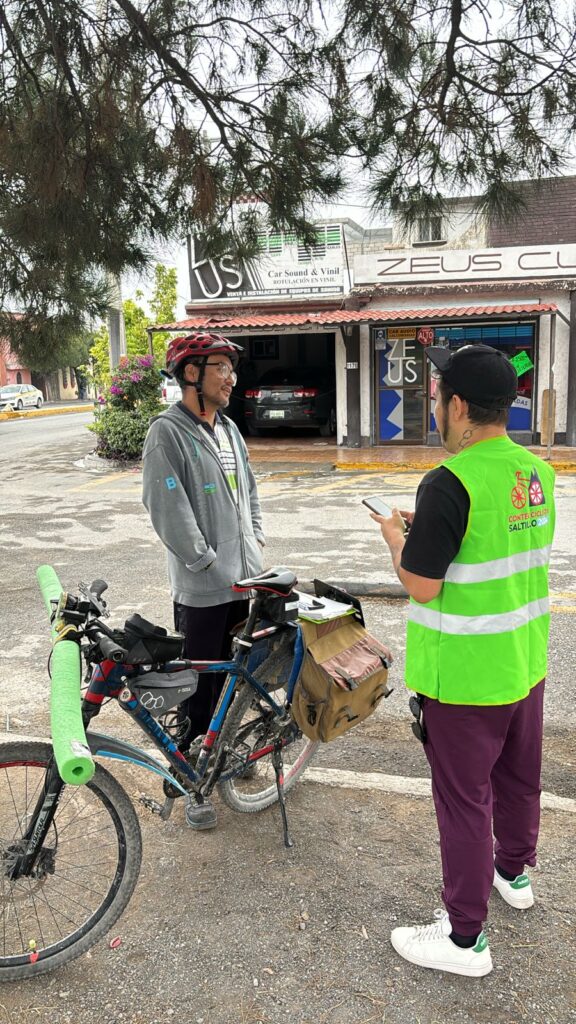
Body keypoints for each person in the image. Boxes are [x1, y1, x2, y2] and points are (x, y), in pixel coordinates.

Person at [369, 343, 555, 977]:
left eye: (436, 397)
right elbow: (494, 540)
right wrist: (433, 529)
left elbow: (422, 584)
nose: (435, 409)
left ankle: (464, 938)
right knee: (517, 780)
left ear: (456, 406)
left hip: (466, 679)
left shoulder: (450, 481)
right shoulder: (536, 472)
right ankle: (514, 874)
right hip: (523, 665)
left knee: (464, 802)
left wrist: (398, 538)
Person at [142, 332, 265, 830]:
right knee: (199, 686)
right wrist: (209, 562)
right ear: (191, 374)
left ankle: (228, 755)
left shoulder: (230, 429)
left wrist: (255, 543)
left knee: (237, 680)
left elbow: (249, 494)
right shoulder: (166, 433)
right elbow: (167, 510)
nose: (231, 377)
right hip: (202, 588)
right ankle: (191, 781)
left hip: (245, 582)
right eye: (220, 367)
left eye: (231, 368)